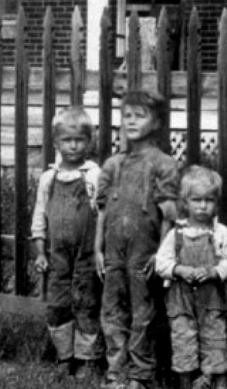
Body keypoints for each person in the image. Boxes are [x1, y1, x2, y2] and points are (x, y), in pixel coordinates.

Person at [95, 89, 181, 389]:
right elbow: (103, 212)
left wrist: (161, 252)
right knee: (112, 309)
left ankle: (140, 374)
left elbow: (169, 215)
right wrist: (97, 249)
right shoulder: (112, 165)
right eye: (127, 115)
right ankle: (116, 372)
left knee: (142, 312)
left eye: (139, 116)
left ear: (156, 122)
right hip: (113, 249)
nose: (131, 121)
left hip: (144, 251)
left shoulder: (163, 165)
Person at [31, 107, 104, 374]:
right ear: (56, 143)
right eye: (67, 140)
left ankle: (87, 358)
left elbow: (103, 212)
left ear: (89, 142)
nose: (73, 146)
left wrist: (99, 249)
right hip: (57, 254)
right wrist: (40, 251)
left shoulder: (94, 175)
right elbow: (40, 214)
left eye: (80, 140)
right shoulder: (49, 179)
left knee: (86, 302)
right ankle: (65, 356)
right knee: (58, 303)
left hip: (86, 253)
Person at [155, 166, 227, 389]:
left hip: (211, 301)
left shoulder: (221, 234)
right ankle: (187, 383)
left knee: (215, 342)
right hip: (181, 302)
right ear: (185, 202)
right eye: (196, 200)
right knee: (184, 343)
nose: (203, 206)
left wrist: (215, 271)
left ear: (216, 202)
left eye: (209, 200)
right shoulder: (176, 234)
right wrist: (178, 270)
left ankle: (219, 383)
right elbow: (161, 263)